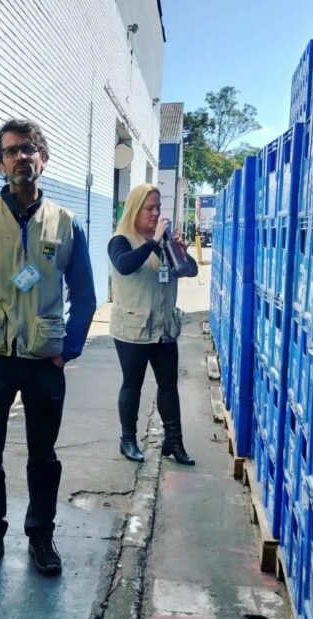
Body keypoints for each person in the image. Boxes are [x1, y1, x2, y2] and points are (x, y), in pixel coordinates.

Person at [0, 118, 96, 579]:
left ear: (42, 159)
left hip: (43, 359)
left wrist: (68, 349)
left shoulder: (66, 222)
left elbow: (85, 294)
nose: (20, 157)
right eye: (11, 151)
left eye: (28, 148)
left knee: (43, 456)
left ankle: (41, 536)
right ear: (1, 163)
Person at [108, 184, 195, 466]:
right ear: (135, 209)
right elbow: (125, 265)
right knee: (132, 385)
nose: (156, 213)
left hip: (164, 328)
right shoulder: (121, 240)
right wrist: (153, 241)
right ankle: (128, 440)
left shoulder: (164, 241)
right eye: (149, 208)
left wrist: (180, 251)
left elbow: (191, 271)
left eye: (158, 207)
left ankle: (175, 441)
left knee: (168, 385)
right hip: (133, 330)